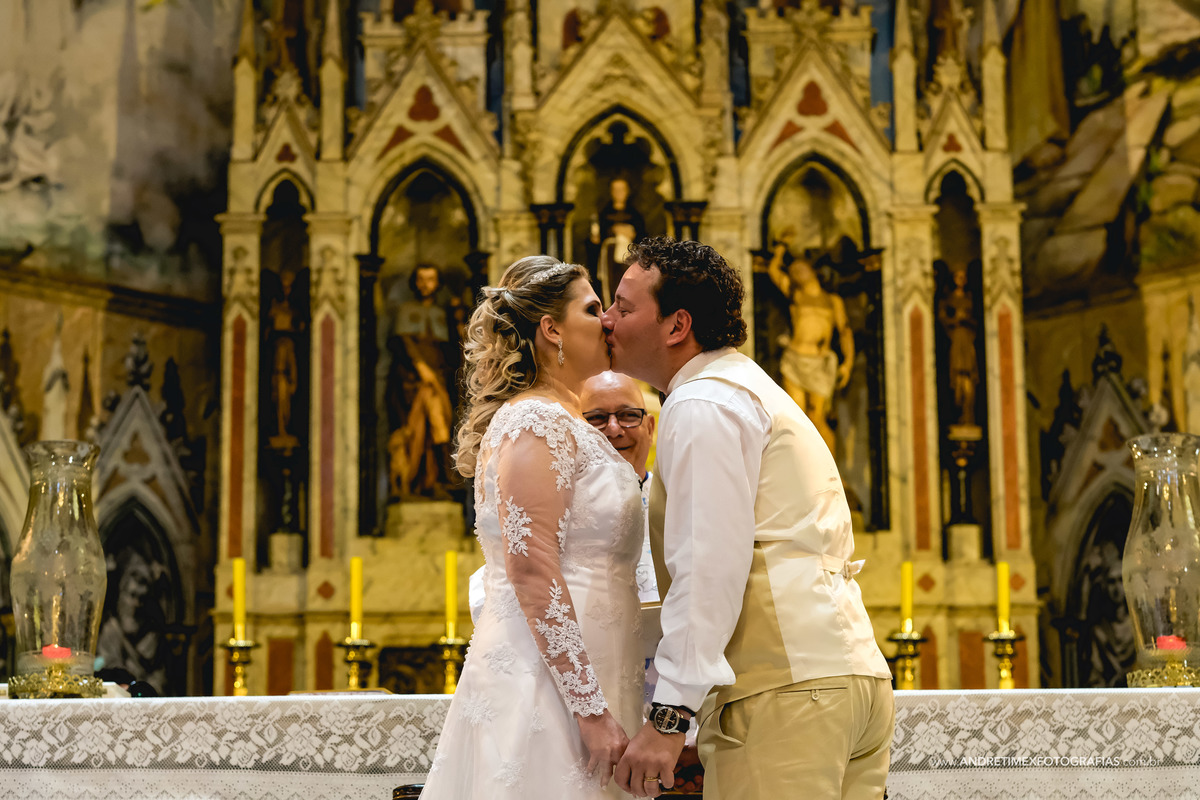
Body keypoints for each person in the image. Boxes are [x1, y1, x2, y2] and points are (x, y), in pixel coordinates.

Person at [603, 237, 893, 800]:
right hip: (844, 674)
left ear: (676, 325)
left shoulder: (702, 403)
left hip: (783, 690)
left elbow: (710, 565)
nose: (609, 321)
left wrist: (670, 717)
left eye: (623, 305)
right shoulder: (747, 388)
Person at [421, 256, 644, 799]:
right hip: (547, 687)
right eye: (593, 310)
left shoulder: (566, 418)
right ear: (551, 330)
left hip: (594, 668)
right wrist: (589, 709)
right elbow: (532, 568)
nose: (609, 320)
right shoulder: (537, 421)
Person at [764, 231, 854, 454]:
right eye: (793, 271)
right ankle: (802, 474)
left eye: (801, 268)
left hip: (819, 362)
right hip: (795, 358)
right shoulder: (795, 295)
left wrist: (848, 362)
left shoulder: (832, 300)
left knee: (817, 417)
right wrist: (781, 248)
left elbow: (844, 331)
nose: (796, 272)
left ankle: (831, 474)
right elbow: (773, 271)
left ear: (812, 270)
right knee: (797, 417)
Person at [580, 371, 658, 603]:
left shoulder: (678, 499)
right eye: (596, 418)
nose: (614, 429)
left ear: (650, 429)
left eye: (628, 415)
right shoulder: (558, 510)